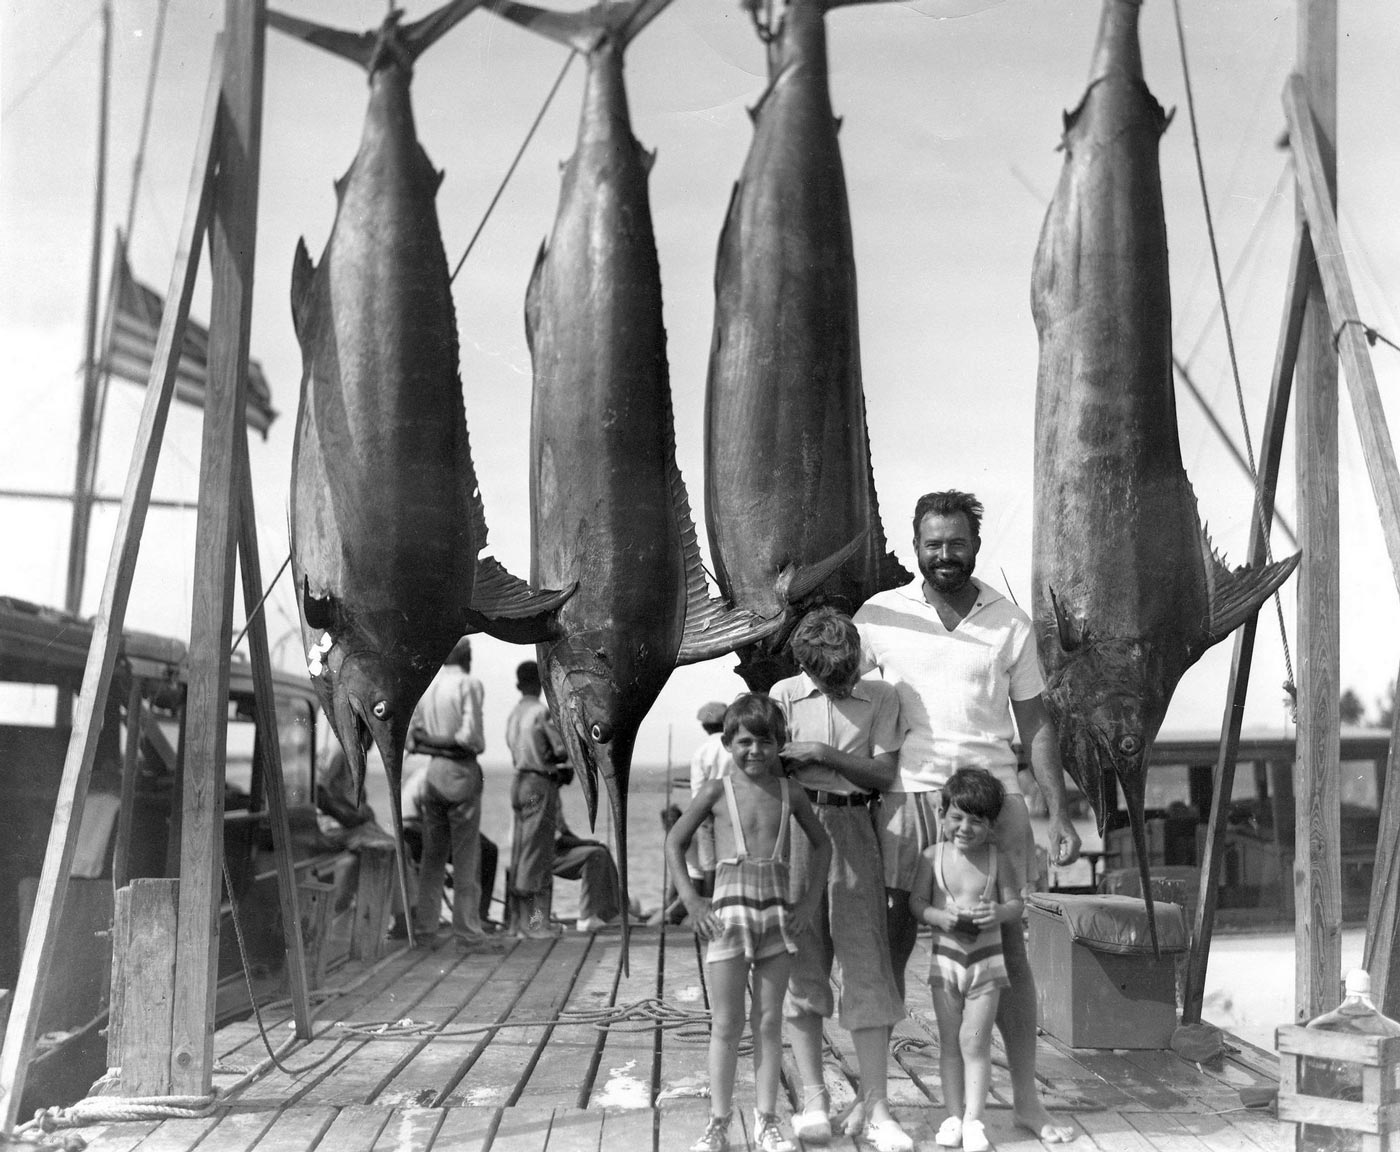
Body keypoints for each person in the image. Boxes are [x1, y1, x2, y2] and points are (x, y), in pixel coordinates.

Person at [853, 489, 1082, 1144]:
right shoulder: (880, 615)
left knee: (1008, 949)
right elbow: (843, 694)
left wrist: (1057, 808)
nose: (944, 555)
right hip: (907, 796)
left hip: (995, 799)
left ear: (975, 545)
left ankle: (1027, 1101)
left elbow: (1035, 721)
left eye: (956, 543)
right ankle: (877, 1105)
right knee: (891, 943)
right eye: (933, 544)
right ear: (916, 545)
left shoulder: (1009, 621)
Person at [769, 607, 913, 1152]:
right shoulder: (782, 696)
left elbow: (884, 772)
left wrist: (824, 755)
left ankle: (876, 1104)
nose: (842, 684)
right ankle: (812, 1097)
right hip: (797, 831)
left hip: (855, 826)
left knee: (867, 962)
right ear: (805, 667)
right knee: (802, 963)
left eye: (849, 672)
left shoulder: (881, 697)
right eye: (830, 678)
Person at [666, 694, 831, 1152]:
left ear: (780, 744)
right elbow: (675, 842)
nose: (754, 751)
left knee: (768, 1022)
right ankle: (718, 1122)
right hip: (727, 920)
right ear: (727, 742)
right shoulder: (716, 791)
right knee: (725, 1023)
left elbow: (823, 847)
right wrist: (691, 901)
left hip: (776, 920)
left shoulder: (791, 793)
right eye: (744, 742)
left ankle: (766, 1120)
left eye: (765, 742)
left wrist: (808, 902)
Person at [910, 769, 1023, 1152]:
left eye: (977, 820)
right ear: (942, 815)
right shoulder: (932, 857)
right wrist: (937, 917)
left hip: (986, 967)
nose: (965, 827)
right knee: (948, 1043)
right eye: (957, 817)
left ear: (991, 825)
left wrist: (1000, 913)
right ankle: (953, 1115)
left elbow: (1016, 905)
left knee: (973, 1042)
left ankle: (975, 1119)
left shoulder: (998, 859)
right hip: (945, 966)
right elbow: (917, 904)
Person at [406, 636, 499, 949]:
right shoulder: (468, 684)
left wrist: (431, 741)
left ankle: (425, 928)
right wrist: (449, 741)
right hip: (461, 773)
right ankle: (467, 931)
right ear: (468, 656)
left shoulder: (427, 686)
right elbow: (469, 739)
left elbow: (414, 739)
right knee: (465, 856)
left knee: (432, 857)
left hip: (433, 774)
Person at [505, 660, 587, 936]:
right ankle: (536, 925)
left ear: (519, 685)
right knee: (535, 855)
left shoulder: (515, 713)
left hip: (518, 782)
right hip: (538, 785)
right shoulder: (542, 712)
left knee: (520, 853)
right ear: (540, 683)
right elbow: (561, 750)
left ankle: (517, 923)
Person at [688, 700, 732, 898]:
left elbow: (697, 790)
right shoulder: (732, 747)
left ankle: (710, 902)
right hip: (732, 807)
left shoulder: (701, 751)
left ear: (704, 726)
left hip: (707, 810)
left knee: (708, 860)